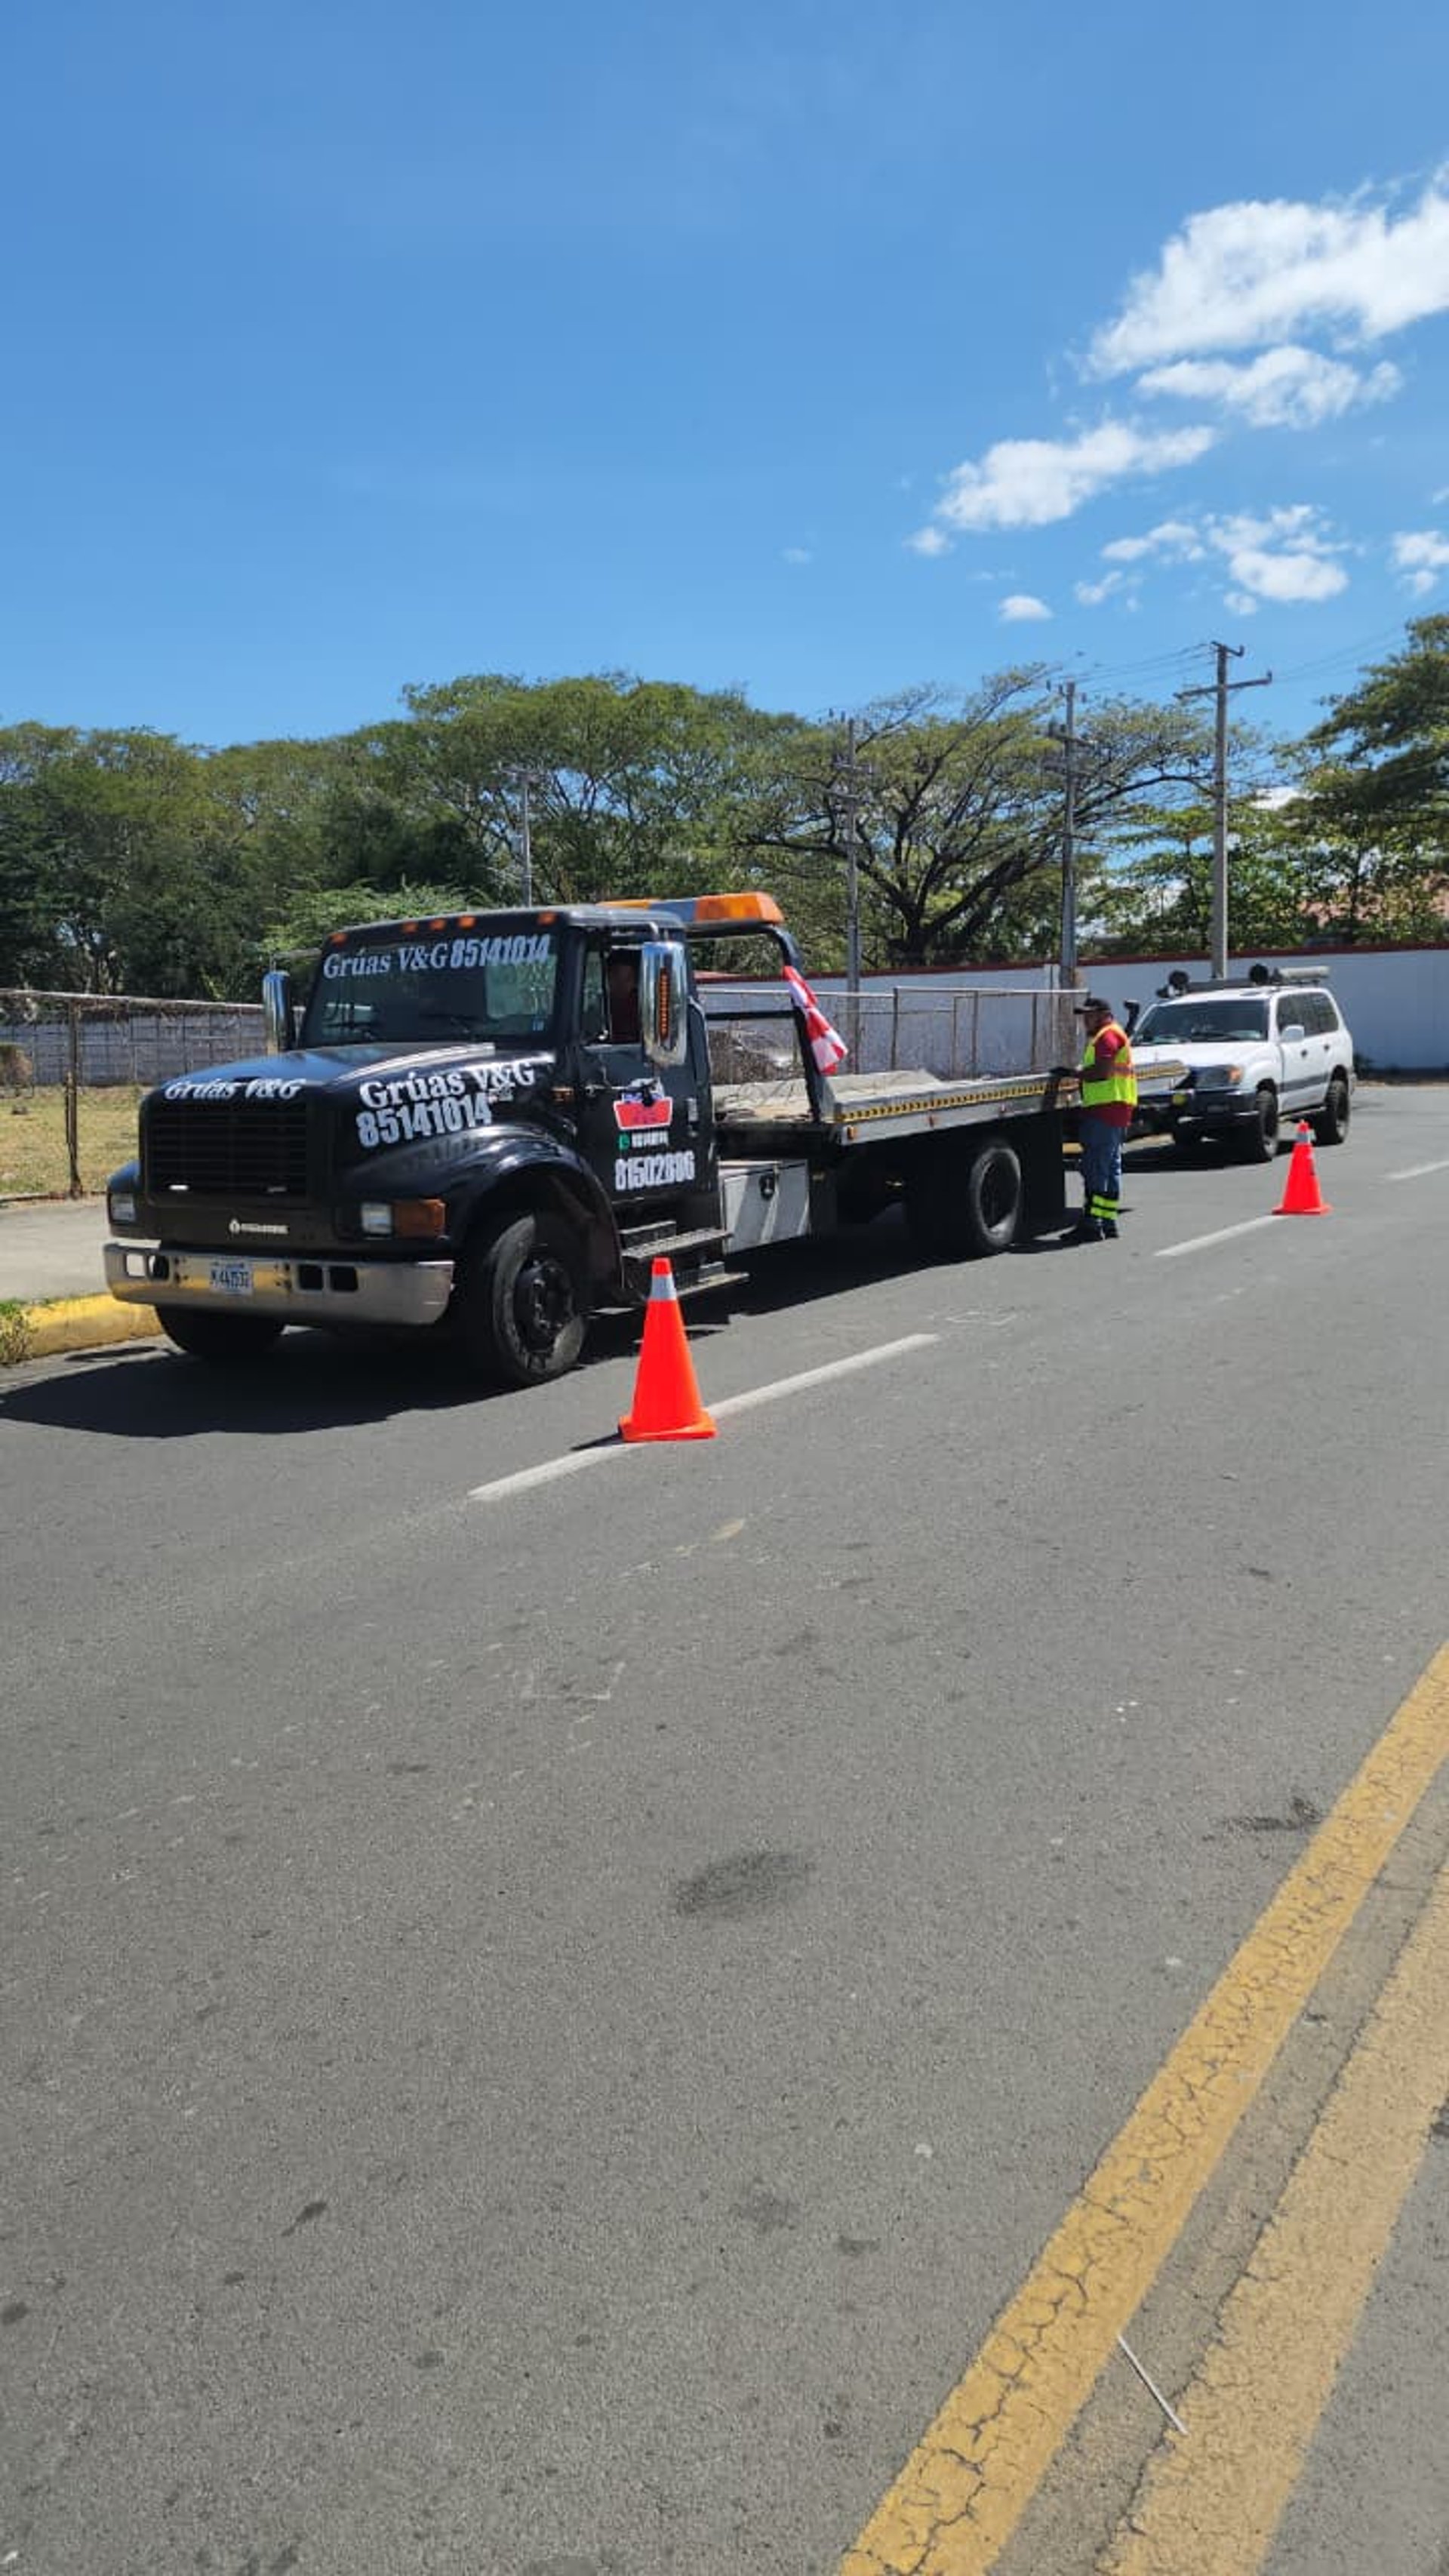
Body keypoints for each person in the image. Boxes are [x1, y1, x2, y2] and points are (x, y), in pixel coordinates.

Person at [1071, 995, 1137, 1242]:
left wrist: (1073, 1074)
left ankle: (1092, 1223)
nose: (1085, 1020)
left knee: (1096, 1169)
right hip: (1115, 1110)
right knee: (1109, 1169)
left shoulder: (1107, 1036)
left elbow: (1102, 1072)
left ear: (1103, 1014)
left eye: (1089, 1015)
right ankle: (1108, 1222)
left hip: (1104, 1111)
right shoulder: (1113, 1033)